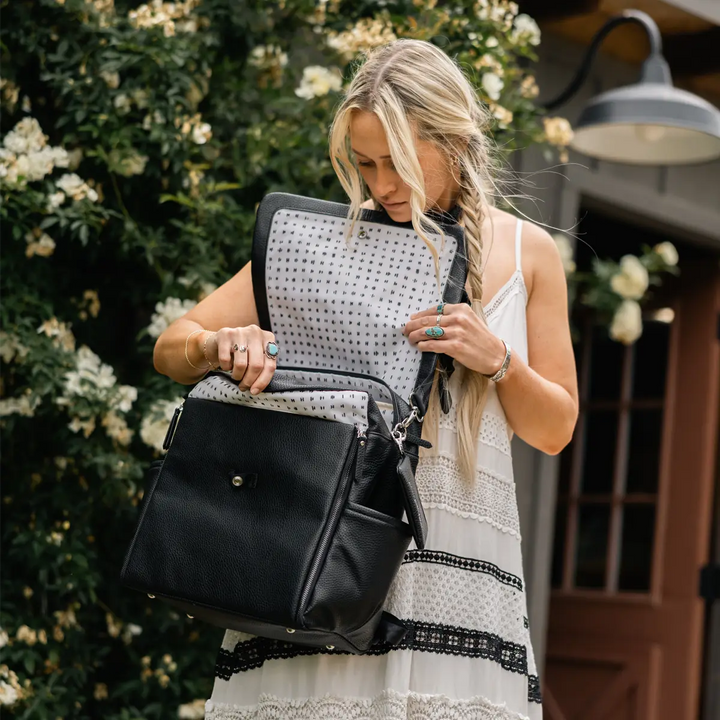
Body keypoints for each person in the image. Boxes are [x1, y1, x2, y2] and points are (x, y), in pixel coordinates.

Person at [153, 38, 578, 720]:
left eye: (401, 163)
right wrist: (217, 344)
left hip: (459, 574)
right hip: (320, 554)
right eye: (367, 162)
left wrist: (497, 358)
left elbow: (555, 429)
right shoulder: (318, 240)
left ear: (456, 140)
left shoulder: (530, 255)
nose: (381, 185)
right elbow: (172, 347)